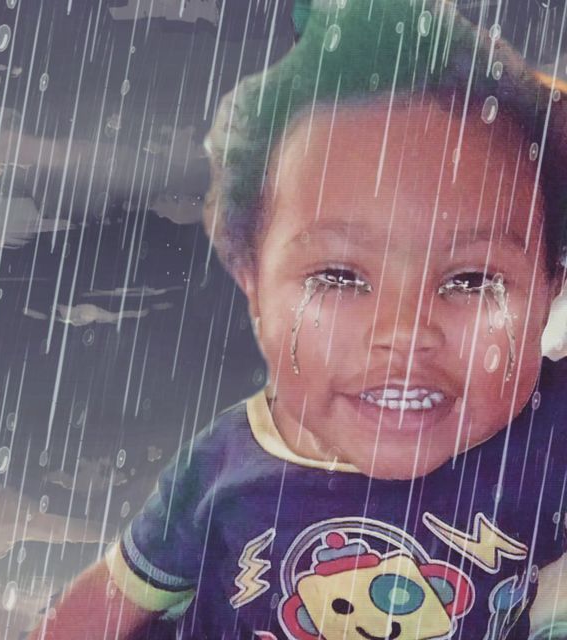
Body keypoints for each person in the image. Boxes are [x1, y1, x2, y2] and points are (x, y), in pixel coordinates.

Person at [28, 0, 567, 637]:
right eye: (339, 277)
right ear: (254, 284)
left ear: (550, 289)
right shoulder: (224, 469)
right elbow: (103, 606)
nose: (404, 332)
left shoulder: (547, 433)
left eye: (471, 279)